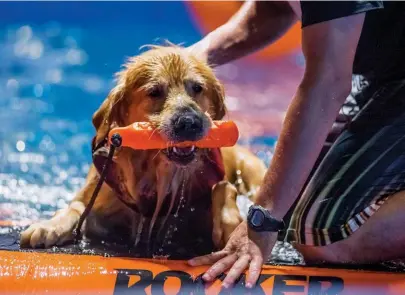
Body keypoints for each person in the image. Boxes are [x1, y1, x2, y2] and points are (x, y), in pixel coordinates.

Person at [187, 0, 405, 289]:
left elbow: (327, 82)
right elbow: (276, 6)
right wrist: (193, 57)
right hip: (384, 78)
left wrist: (261, 221)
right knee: (288, 215)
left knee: (325, 236)